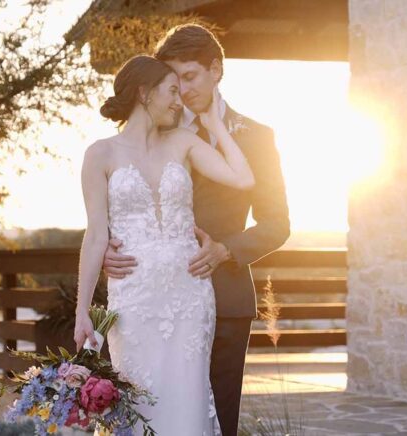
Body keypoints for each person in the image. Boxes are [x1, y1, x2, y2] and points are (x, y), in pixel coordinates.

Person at [102, 24, 291, 435]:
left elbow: (277, 224)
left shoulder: (257, 137)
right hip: (150, 304)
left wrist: (225, 249)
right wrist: (107, 248)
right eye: (173, 81)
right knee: (145, 413)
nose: (183, 90)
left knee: (218, 421)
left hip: (224, 298)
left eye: (190, 77)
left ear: (216, 69)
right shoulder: (151, 130)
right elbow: (115, 197)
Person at [73, 54, 254, 435]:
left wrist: (216, 126)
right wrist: (82, 311)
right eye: (172, 90)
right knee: (137, 401)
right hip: (134, 300)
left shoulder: (184, 142)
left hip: (189, 296)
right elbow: (95, 236)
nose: (179, 99)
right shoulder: (100, 154)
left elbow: (242, 179)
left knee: (187, 401)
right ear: (144, 92)